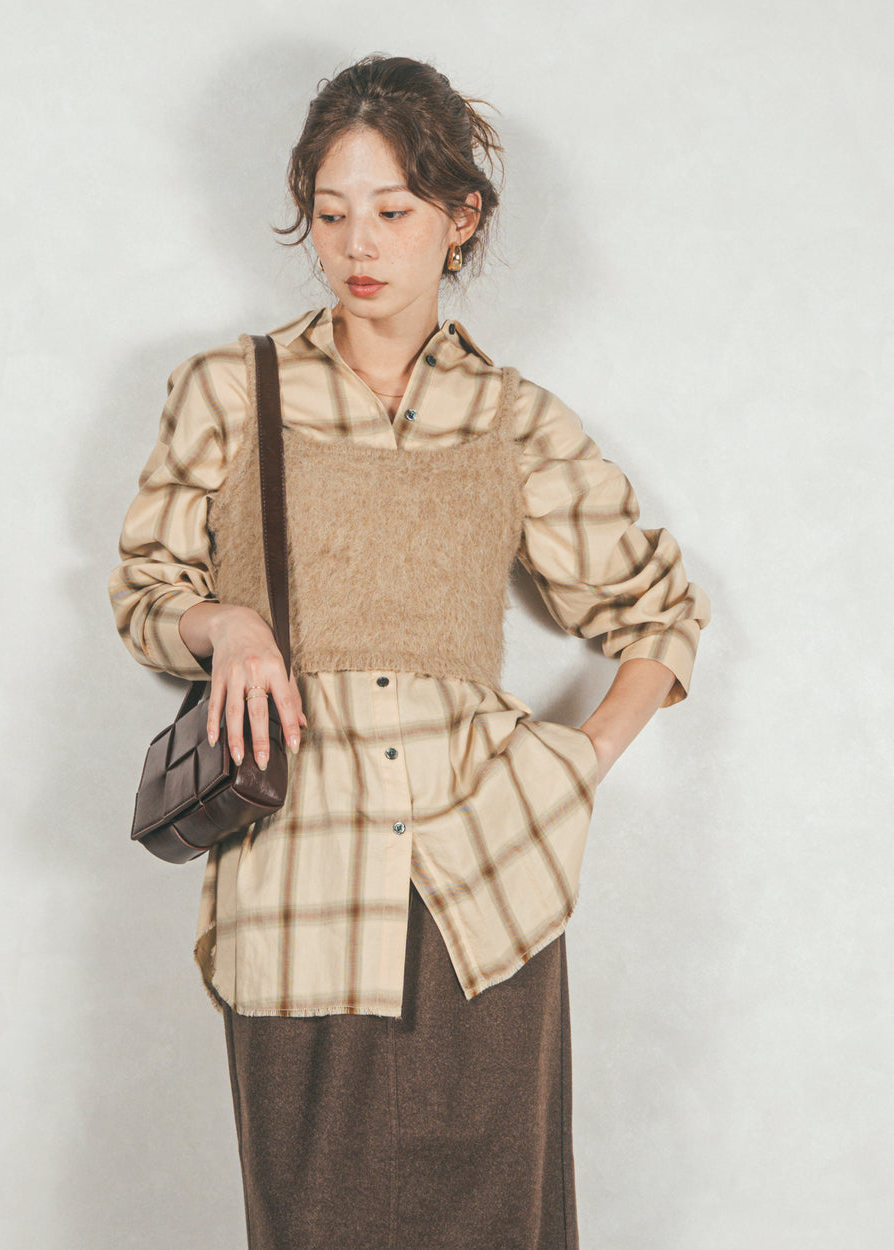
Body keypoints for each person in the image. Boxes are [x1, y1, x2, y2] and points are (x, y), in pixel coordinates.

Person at [108, 54, 711, 1250]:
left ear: (460, 216)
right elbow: (145, 592)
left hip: (482, 883)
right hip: (300, 881)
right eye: (331, 213)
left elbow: (658, 609)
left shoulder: (514, 418)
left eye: (391, 211)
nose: (357, 245)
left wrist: (577, 761)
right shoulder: (231, 389)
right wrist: (230, 623)